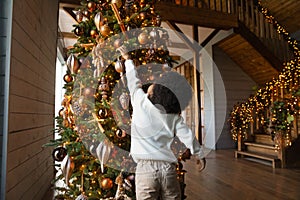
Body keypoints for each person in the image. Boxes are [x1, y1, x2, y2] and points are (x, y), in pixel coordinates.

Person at [117, 46, 206, 200]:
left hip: (145, 169)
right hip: (168, 169)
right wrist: (199, 154)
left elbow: (133, 81)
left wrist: (128, 60)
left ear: (156, 91)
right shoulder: (173, 117)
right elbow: (188, 136)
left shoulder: (141, 101)